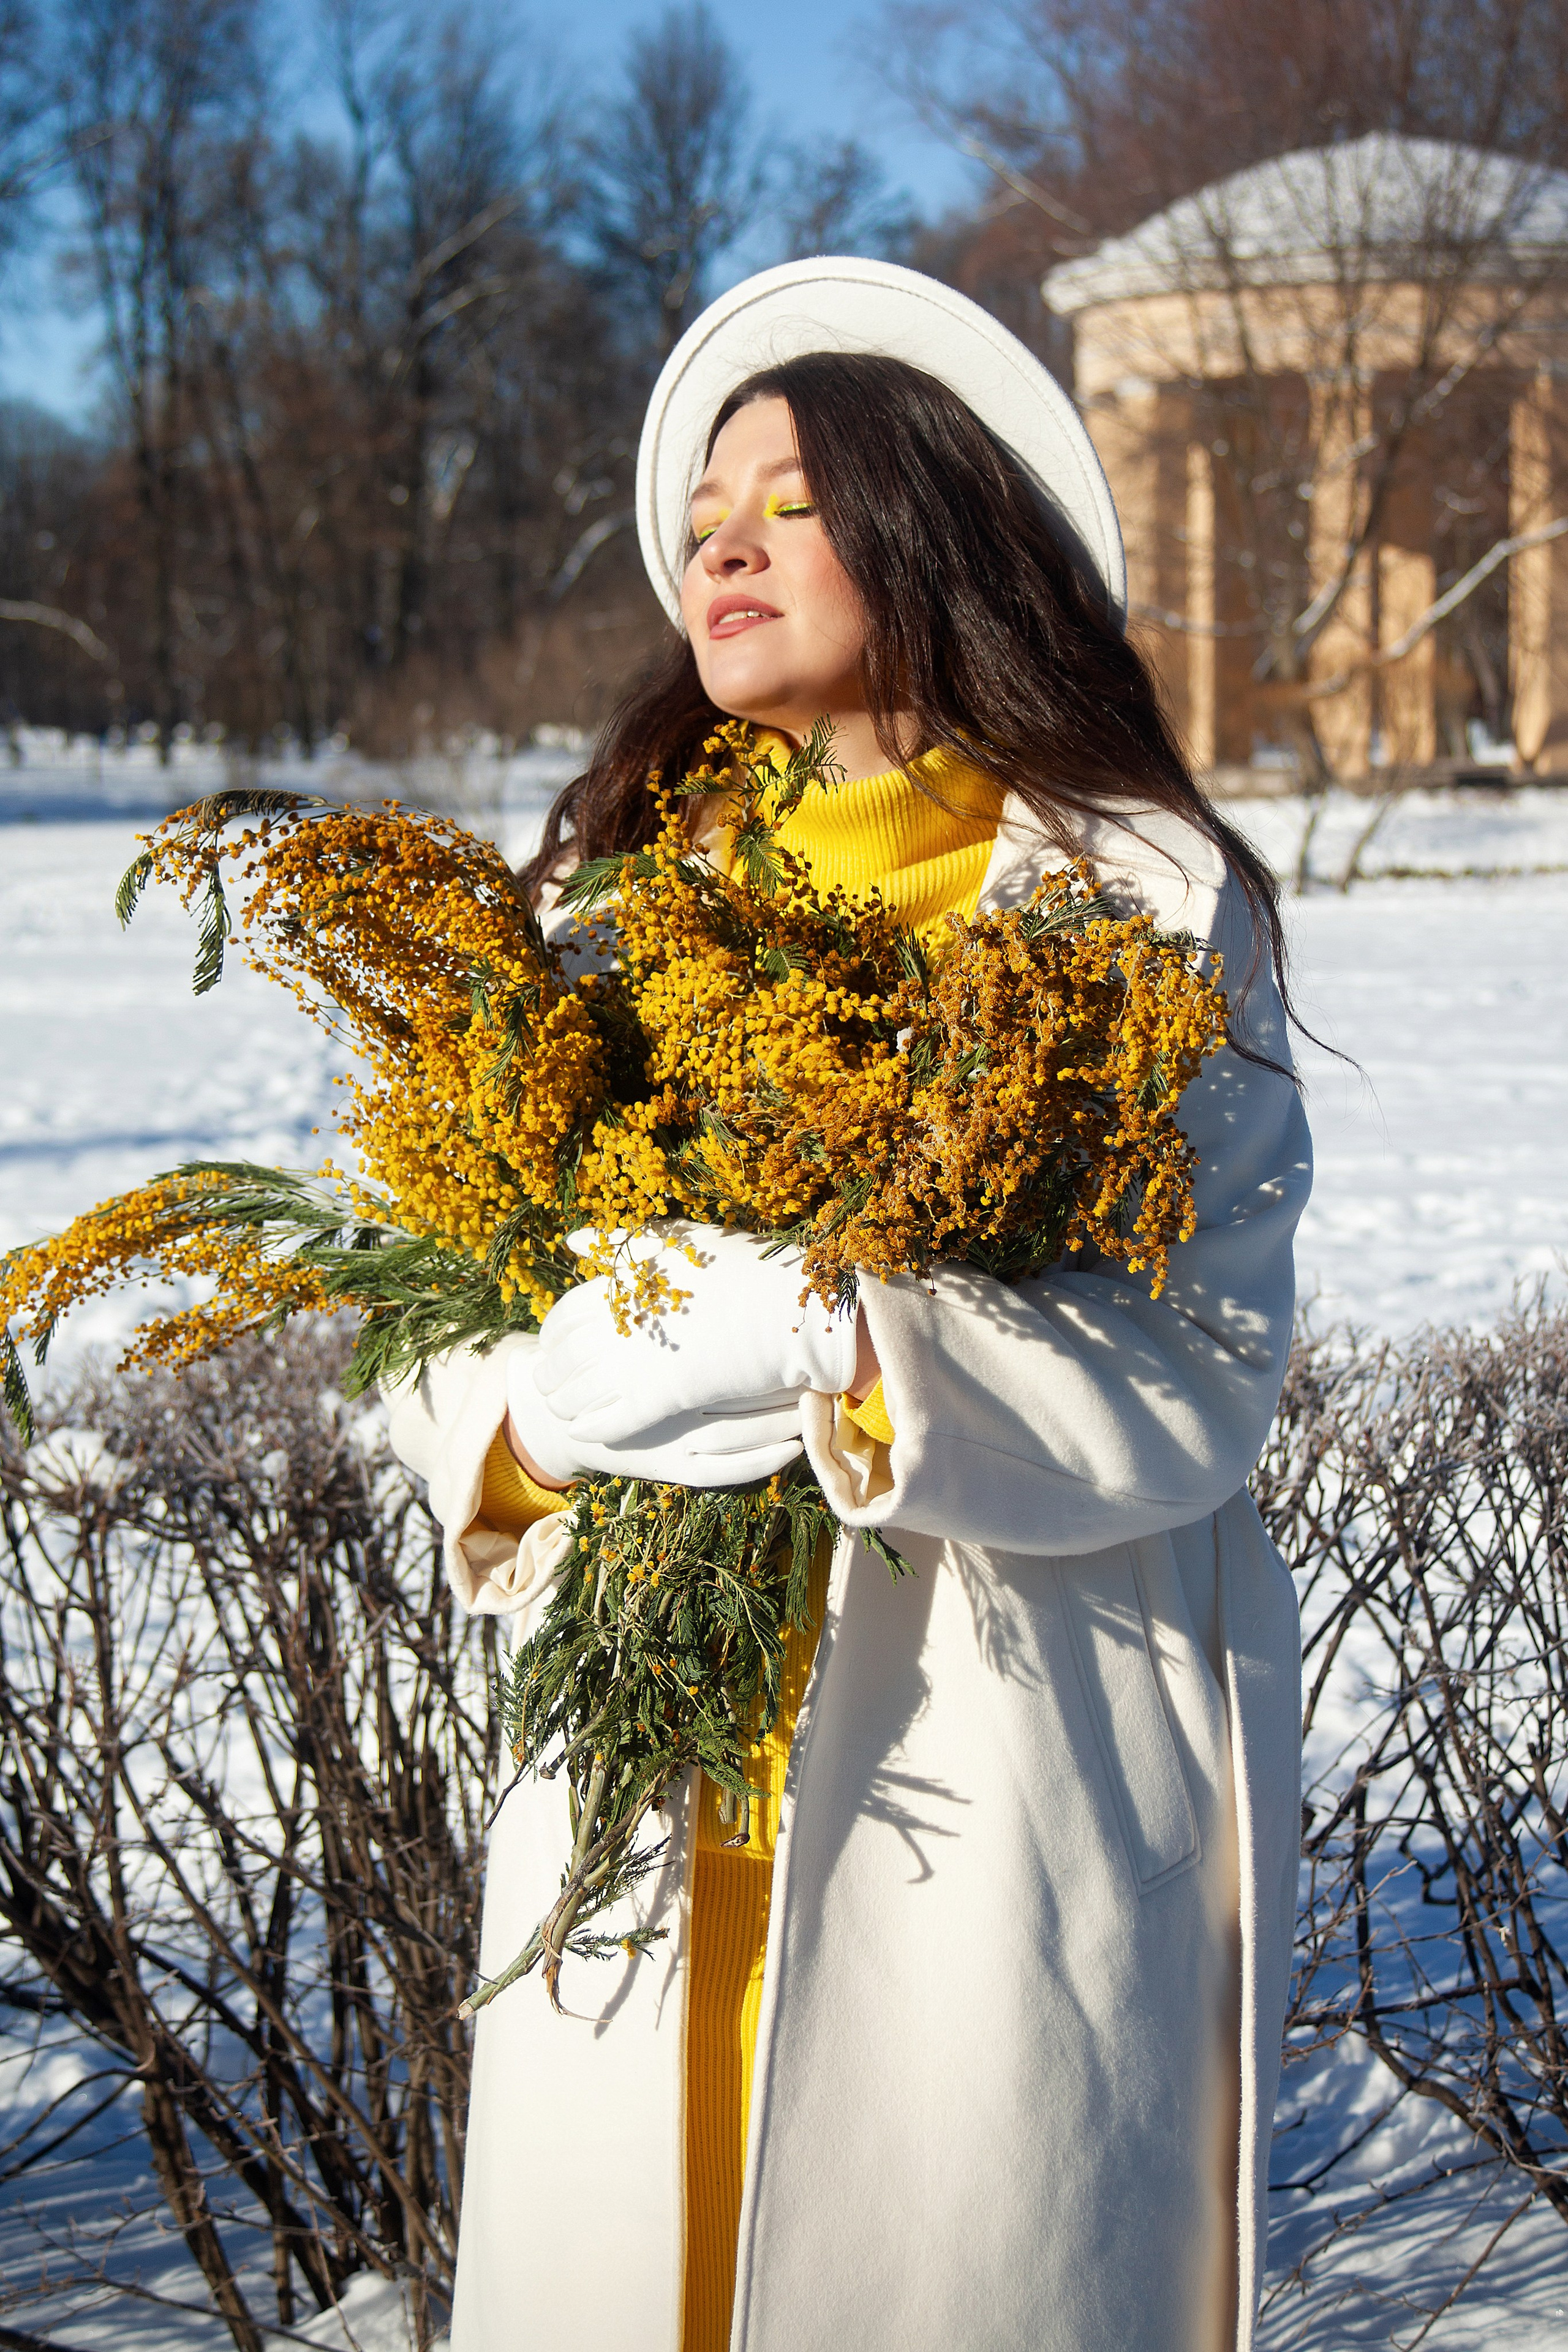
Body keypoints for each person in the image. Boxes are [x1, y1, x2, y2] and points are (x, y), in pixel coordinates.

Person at [385, 257, 1310, 2352]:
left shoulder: (1145, 907)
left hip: (991, 1776)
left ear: (943, 519)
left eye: (787, 496)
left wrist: (843, 1342)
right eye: (706, 506)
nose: (719, 536)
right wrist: (540, 1415)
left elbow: (1205, 1351)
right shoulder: (602, 916)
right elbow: (435, 1310)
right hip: (656, 1780)